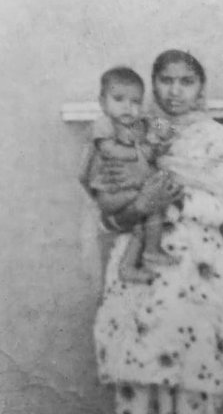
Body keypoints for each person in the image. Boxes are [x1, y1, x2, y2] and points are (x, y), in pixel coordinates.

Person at [89, 50, 223, 414]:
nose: (175, 91)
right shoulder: (131, 134)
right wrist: (141, 205)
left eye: (186, 81)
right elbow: (108, 210)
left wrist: (171, 199)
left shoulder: (217, 138)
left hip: (198, 276)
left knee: (197, 390)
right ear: (154, 84)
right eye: (166, 80)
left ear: (200, 89)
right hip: (140, 283)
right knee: (139, 386)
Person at [80, 66, 181, 284]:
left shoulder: (137, 123)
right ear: (102, 102)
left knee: (144, 219)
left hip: (126, 190)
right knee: (150, 201)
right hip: (110, 193)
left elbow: (171, 131)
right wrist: (141, 152)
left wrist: (159, 129)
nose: (128, 107)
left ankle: (132, 263)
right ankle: (150, 250)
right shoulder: (104, 123)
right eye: (119, 99)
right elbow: (109, 150)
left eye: (135, 102)